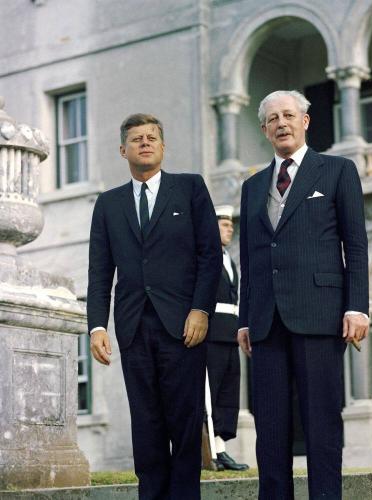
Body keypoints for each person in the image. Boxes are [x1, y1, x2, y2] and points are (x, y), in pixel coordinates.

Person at [238, 90, 370, 499]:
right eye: (273, 118)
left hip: (320, 313)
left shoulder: (336, 171)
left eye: (289, 115)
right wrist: (245, 318)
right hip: (265, 321)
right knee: (271, 430)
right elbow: (249, 255)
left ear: (306, 121)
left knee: (321, 423)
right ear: (264, 129)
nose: (282, 123)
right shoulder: (252, 186)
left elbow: (357, 243)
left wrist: (357, 307)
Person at [87, 113, 222, 500]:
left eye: (151, 137)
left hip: (183, 326)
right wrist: (98, 325)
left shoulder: (190, 189)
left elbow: (209, 255)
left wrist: (201, 310)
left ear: (163, 147)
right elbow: (100, 271)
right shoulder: (109, 204)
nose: (144, 143)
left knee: (183, 422)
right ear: (122, 150)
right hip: (133, 328)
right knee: (146, 424)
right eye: (136, 138)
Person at [206, 205, 249, 471]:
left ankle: (221, 448)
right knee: (210, 393)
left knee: (227, 393)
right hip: (210, 333)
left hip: (230, 333)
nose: (230, 228)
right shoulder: (204, 258)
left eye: (231, 225)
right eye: (224, 224)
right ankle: (210, 450)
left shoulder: (228, 259)